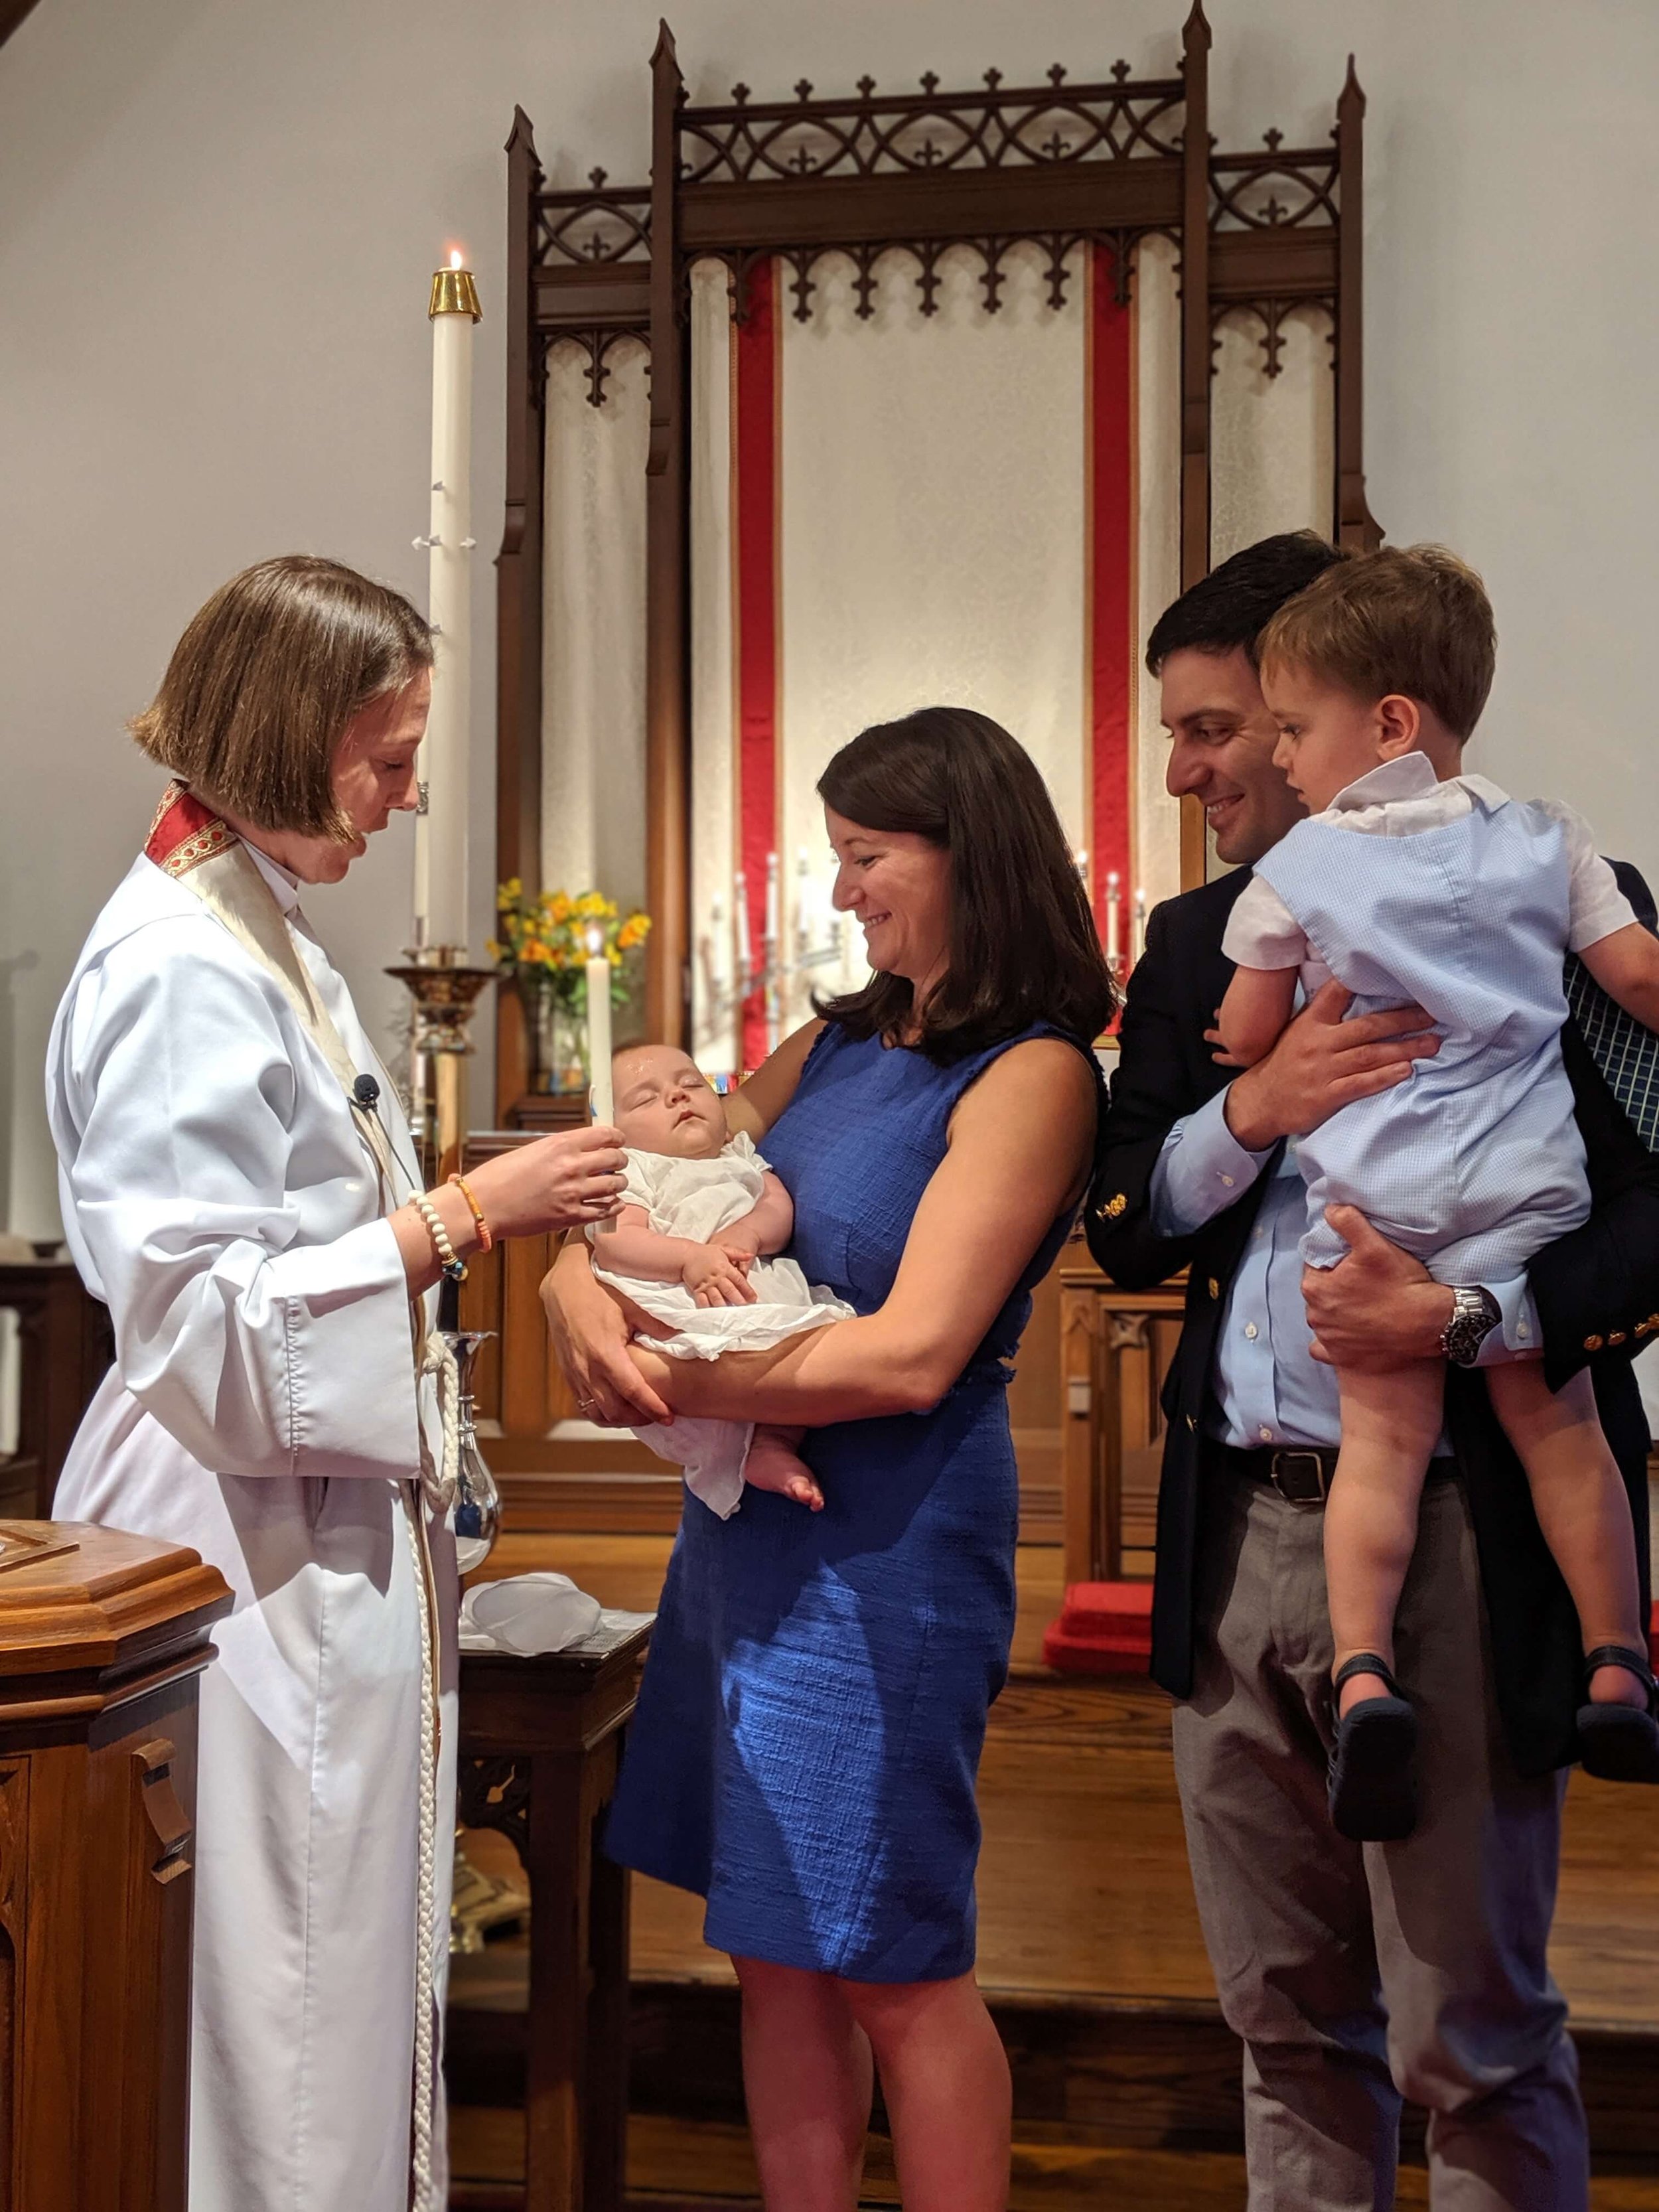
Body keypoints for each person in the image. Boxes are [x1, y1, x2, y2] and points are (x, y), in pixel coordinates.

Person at [46, 555, 627, 2212]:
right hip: (231, 1543)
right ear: (288, 734)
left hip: (304, 1520)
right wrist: (463, 1217)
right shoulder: (179, 963)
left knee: (333, 1983)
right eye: (386, 753)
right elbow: (199, 1323)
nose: (408, 789)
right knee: (281, 2004)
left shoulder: (255, 925)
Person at [1089, 530, 1659, 2210]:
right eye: (1189, 733)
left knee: (1473, 2047)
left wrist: (1476, 1322)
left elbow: (1652, 1217)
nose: (1199, 767)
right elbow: (1124, 1224)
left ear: (1337, 718)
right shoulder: (1202, 950)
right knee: (1282, 2029)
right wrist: (1255, 1109)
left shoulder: (1553, 890)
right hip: (1245, 1532)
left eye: (1227, 725)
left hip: (1471, 1524)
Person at [543, 706, 1110, 2212]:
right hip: (747, 1528)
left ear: (964, 850)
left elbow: (918, 1348)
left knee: (894, 1958)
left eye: (867, 854)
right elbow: (667, 1174)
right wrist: (566, 1281)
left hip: (891, 1540)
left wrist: (668, 1372)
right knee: (772, 1940)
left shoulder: (1035, 1070)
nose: (844, 889)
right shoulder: (842, 1037)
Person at [1213, 544, 1659, 1837]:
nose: (1276, 757)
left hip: (1377, 1208)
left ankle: (1360, 1681)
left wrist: (1254, 1044)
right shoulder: (1542, 834)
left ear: (1388, 722)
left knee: (1383, 1448)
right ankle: (1616, 1661)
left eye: (1291, 727)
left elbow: (1248, 1039)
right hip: (1526, 1195)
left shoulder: (1297, 871)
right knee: (1563, 1436)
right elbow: (1635, 981)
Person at [588, 1037, 855, 1516]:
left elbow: (777, 1204)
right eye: (646, 1098)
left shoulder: (739, 1156)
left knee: (800, 1355)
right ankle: (728, 1451)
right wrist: (688, 1258)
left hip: (758, 1293)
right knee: (708, 1371)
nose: (677, 1096)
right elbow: (616, 1241)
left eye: (692, 1083)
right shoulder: (634, 1172)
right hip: (685, 1309)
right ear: (611, 1134)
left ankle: (769, 1446)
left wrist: (750, 1232)